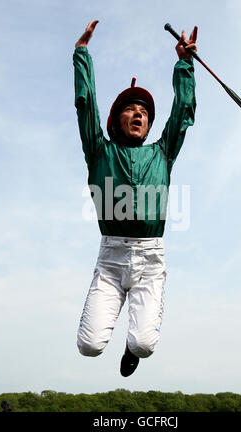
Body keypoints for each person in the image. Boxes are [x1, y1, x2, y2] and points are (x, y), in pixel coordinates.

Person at [73, 20, 197, 377]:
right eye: (131, 108)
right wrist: (82, 55)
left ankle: (132, 349)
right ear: (116, 121)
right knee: (89, 347)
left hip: (149, 259)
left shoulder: (163, 152)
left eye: (144, 110)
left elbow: (183, 113)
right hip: (111, 258)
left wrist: (184, 64)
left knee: (143, 344)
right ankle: (112, 337)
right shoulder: (99, 151)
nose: (139, 112)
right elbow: (85, 106)